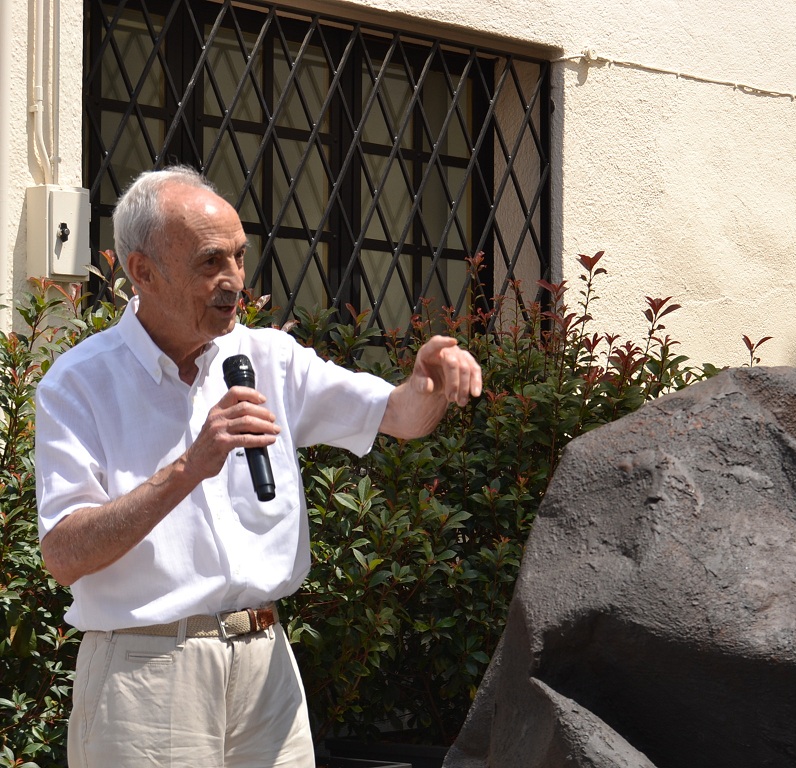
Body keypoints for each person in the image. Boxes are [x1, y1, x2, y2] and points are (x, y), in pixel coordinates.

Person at [35, 166, 483, 767]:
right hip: (147, 675)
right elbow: (64, 555)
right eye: (209, 262)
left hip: (267, 665)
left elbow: (399, 415)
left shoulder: (268, 357)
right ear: (141, 271)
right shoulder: (79, 385)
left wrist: (428, 380)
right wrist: (188, 468)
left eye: (240, 258)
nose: (234, 281)